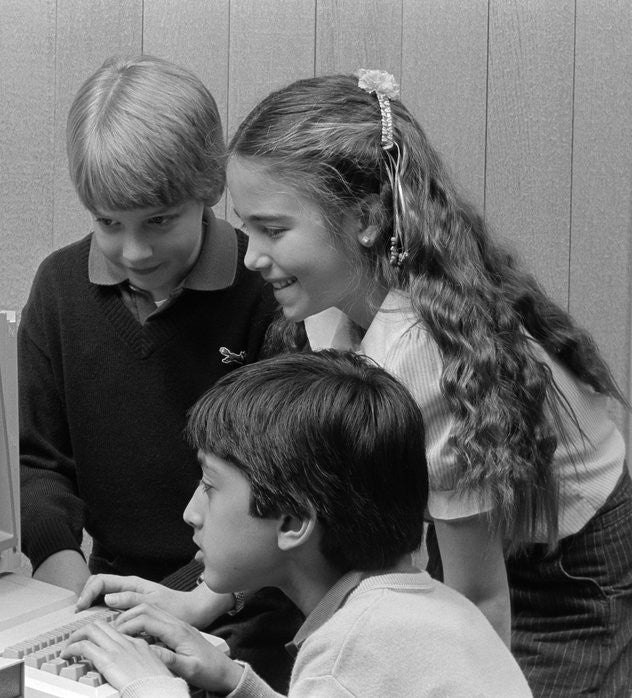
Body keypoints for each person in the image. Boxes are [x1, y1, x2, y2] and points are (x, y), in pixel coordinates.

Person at [216, 70, 631, 696]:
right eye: (245, 228)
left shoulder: (421, 355)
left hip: (563, 578)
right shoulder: (328, 303)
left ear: (364, 219)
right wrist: (200, 603)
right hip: (464, 550)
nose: (250, 256)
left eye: (273, 230)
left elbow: (479, 606)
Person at [17, 54, 298, 690]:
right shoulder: (59, 287)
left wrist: (192, 601)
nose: (134, 251)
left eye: (160, 221)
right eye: (109, 224)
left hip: (250, 605)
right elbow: (38, 464)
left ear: (208, 190)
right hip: (109, 593)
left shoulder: (268, 292)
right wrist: (76, 595)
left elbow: (284, 491)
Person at [62, 351, 532, 697]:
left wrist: (152, 688)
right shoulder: (433, 610)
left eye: (208, 485)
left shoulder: (350, 650)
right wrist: (236, 683)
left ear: (292, 522)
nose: (191, 513)